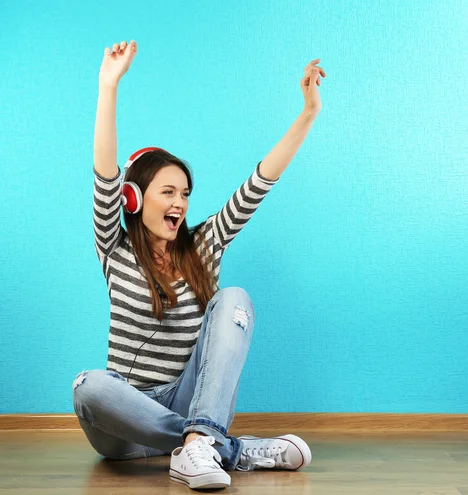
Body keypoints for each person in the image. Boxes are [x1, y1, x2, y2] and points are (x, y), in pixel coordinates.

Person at [72, 39, 326, 491]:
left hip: (190, 404)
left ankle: (198, 442)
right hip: (123, 428)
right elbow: (105, 175)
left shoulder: (204, 244)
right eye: (167, 191)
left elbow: (259, 182)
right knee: (88, 387)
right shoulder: (114, 247)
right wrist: (107, 85)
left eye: (185, 193)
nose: (179, 202)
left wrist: (308, 114)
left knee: (234, 298)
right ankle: (231, 449)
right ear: (135, 198)